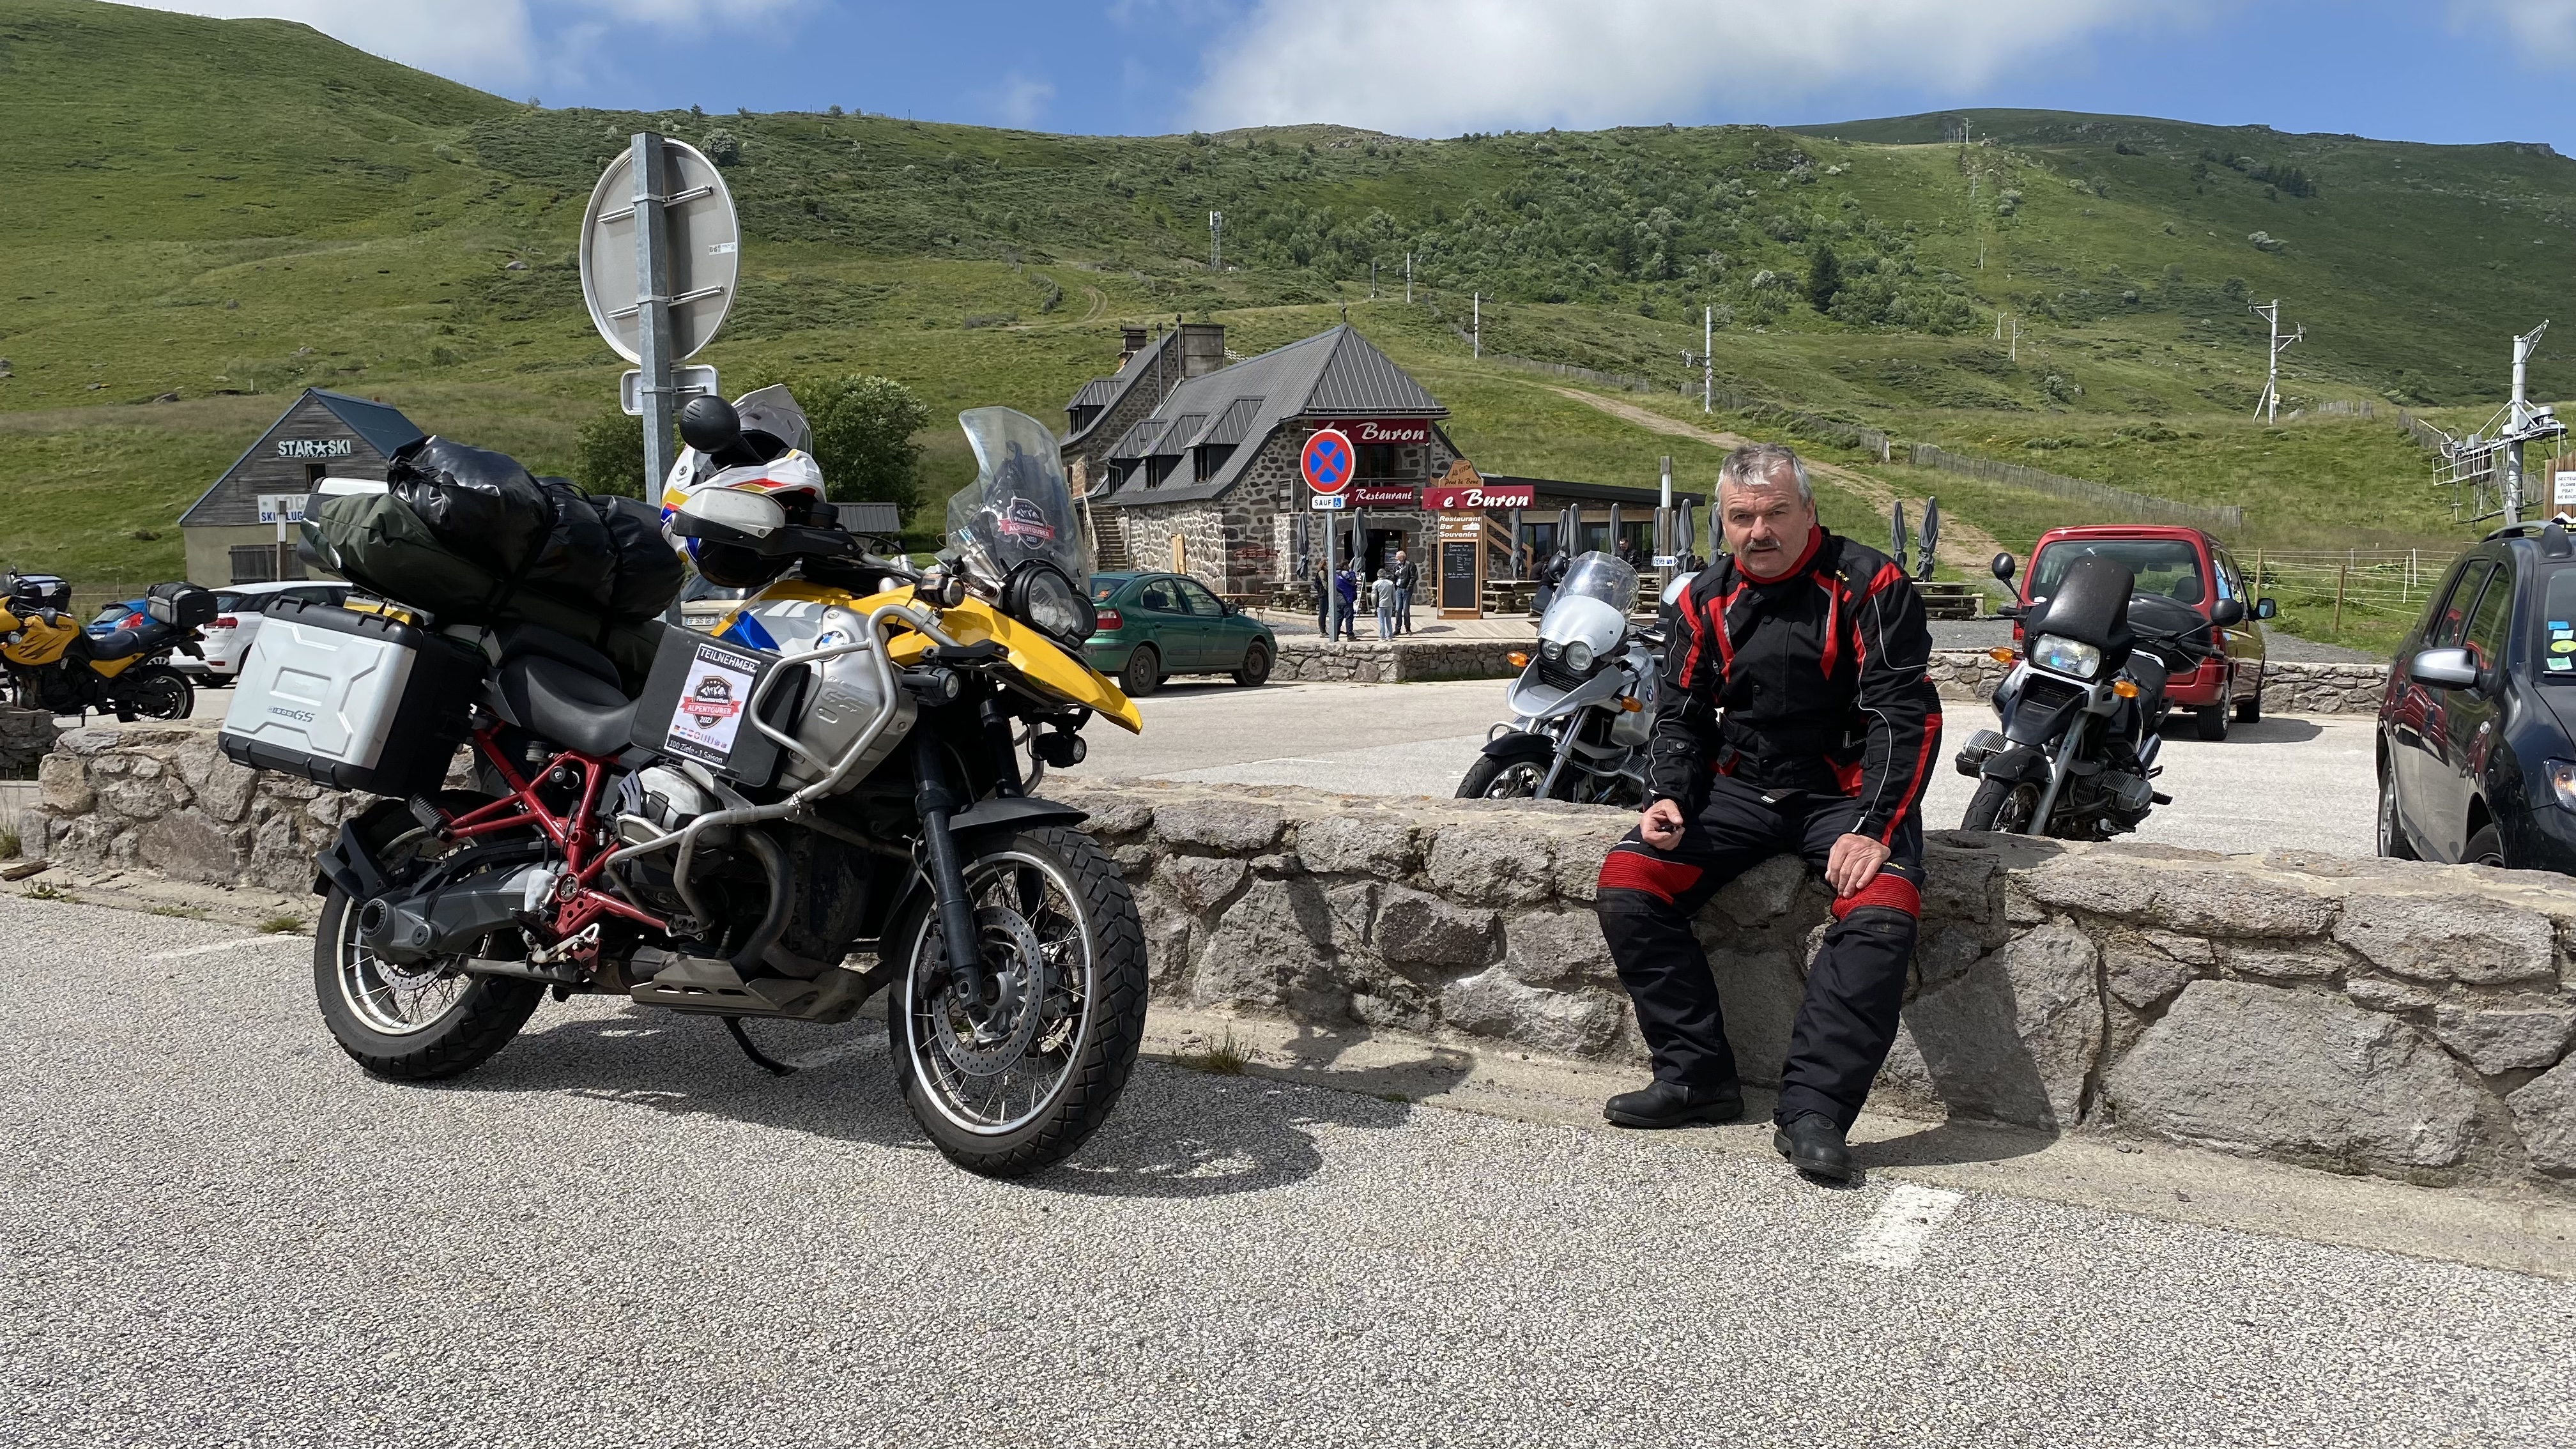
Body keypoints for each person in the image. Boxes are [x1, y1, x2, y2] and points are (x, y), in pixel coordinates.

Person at [1592, 442, 1941, 1185]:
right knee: (1629, 880)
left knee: (1882, 911)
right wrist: (1667, 796)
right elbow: (1681, 718)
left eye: (1777, 513)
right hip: (1740, 786)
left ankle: (1815, 1111)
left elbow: (1903, 715)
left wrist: (1875, 826)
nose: (1760, 531)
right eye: (1742, 517)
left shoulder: (1872, 583)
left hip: (1847, 789)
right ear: (1723, 523)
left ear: (1809, 512)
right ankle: (1696, 1078)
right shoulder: (1701, 598)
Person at [1392, 549, 1418, 634]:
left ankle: (1408, 628)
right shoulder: (1397, 566)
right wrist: (1395, 575)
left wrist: (1408, 588)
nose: (1396, 558)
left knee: (1406, 609)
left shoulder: (1410, 565)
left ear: (1401, 557)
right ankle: (1398, 628)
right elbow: (1393, 576)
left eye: (1397, 557)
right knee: (1398, 609)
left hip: (1406, 589)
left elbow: (1413, 577)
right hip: (1398, 589)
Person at [1333, 564, 1359, 641]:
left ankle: (1335, 635)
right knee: (1349, 618)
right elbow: (1353, 582)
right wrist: (1352, 573)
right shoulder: (1345, 574)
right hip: (1347, 599)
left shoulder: (1333, 575)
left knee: (1338, 618)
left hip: (1337, 600)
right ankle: (1350, 635)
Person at [1373, 569, 1398, 640]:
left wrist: (1374, 605)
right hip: (1389, 604)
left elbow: (1374, 596)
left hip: (1380, 605)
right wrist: (1392, 602)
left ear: (1378, 575)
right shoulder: (1390, 583)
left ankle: (1382, 637)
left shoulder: (1376, 583)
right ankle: (1389, 636)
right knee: (1389, 620)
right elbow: (1394, 594)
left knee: (1381, 621)